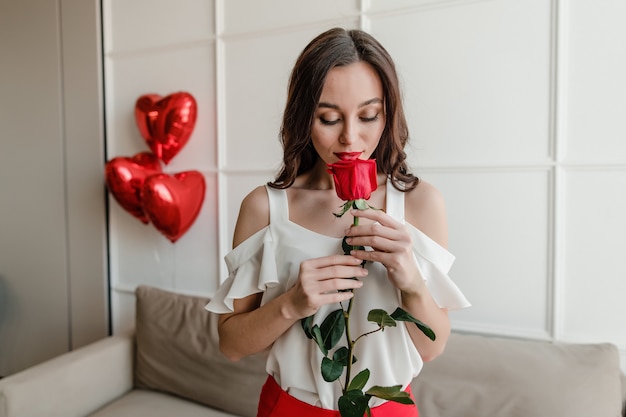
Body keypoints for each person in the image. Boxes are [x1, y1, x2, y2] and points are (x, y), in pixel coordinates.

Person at [205, 27, 470, 417]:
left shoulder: (420, 202)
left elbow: (433, 347)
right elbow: (231, 344)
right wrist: (291, 303)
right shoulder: (265, 208)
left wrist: (409, 277)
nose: (350, 138)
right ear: (303, 118)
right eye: (328, 118)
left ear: (387, 114)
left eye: (368, 116)